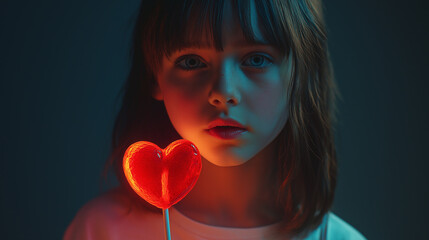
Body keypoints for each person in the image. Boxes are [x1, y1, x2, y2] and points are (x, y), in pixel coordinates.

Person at [64, 0, 366, 239]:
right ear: (154, 74)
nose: (223, 92)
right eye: (192, 61)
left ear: (302, 74)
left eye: (256, 59)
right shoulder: (101, 231)